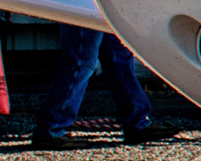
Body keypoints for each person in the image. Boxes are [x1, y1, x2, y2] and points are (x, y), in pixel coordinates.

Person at [37, 27, 168, 148]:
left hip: (99, 5)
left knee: (116, 55)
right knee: (81, 60)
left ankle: (136, 122)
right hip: (88, 3)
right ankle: (51, 129)